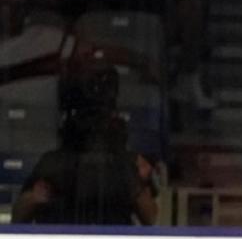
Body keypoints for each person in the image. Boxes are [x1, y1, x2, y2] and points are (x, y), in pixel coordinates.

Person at [13, 65, 158, 225]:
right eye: (86, 117)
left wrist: (134, 182)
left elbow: (151, 218)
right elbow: (18, 217)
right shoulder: (53, 163)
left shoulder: (126, 165)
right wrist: (34, 197)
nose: (93, 127)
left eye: (100, 118)